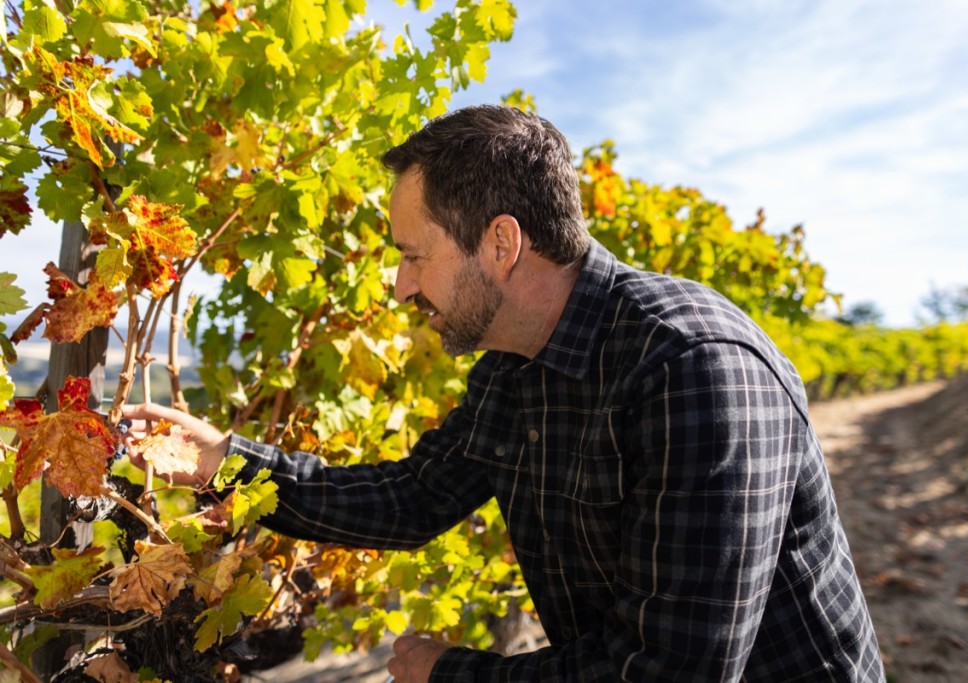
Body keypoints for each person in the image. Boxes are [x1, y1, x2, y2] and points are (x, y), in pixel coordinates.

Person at [124, 105, 884, 682]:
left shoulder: (692, 369)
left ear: (501, 243)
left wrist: (448, 671)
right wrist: (226, 460)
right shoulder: (512, 368)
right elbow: (411, 497)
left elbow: (671, 672)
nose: (400, 285)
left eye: (415, 256)